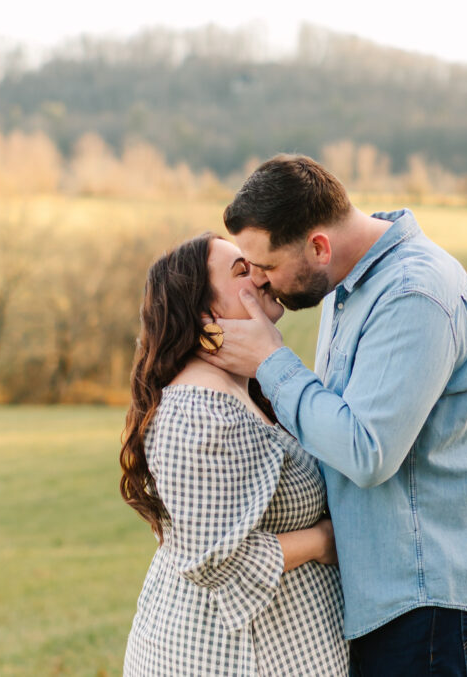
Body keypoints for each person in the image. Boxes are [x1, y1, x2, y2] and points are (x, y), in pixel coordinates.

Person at [203, 154, 467, 676]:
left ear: (318, 245)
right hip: (391, 600)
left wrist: (270, 362)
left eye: (265, 266)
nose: (260, 281)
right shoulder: (346, 287)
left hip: (425, 602)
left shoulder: (411, 293)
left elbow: (366, 449)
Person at [119, 232, 348, 676]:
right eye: (242, 271)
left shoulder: (244, 391)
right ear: (206, 314)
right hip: (227, 657)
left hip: (273, 646)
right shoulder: (200, 411)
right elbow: (212, 559)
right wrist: (324, 541)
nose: (262, 276)